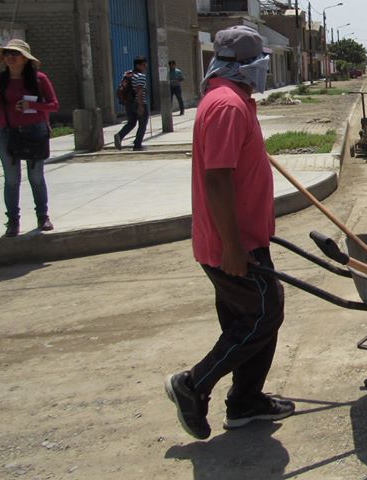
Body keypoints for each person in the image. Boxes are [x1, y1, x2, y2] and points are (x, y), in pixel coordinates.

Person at [165, 25, 292, 440]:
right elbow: (217, 180)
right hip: (232, 244)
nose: (263, 73)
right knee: (263, 315)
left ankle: (245, 402)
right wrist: (234, 248)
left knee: (252, 321)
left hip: (245, 237)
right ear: (246, 66)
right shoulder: (227, 106)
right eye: (261, 65)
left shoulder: (234, 102)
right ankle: (192, 384)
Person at [0, 39, 60, 236]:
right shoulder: (1, 80)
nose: (10, 57)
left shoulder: (39, 78)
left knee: (36, 177)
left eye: (15, 54)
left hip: (34, 131)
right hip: (7, 132)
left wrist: (32, 106)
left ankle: (43, 216)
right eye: (7, 53)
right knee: (11, 179)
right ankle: (13, 221)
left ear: (25, 59)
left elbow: (54, 105)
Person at [114, 56, 148, 151]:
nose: (145, 66)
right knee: (142, 124)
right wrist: (141, 106)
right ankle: (137, 144)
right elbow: (139, 91)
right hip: (139, 103)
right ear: (138, 65)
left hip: (128, 103)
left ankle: (119, 136)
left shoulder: (128, 74)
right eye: (144, 65)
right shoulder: (141, 76)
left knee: (131, 122)